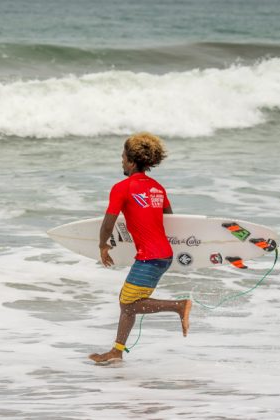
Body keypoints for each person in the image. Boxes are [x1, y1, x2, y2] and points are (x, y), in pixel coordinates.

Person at [89, 132, 192, 364]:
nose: (122, 161)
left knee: (128, 303)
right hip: (163, 255)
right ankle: (117, 351)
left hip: (149, 258)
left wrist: (103, 246)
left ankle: (179, 306)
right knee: (129, 304)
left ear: (132, 161)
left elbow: (108, 222)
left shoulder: (122, 188)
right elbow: (170, 219)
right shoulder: (157, 188)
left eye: (123, 157)